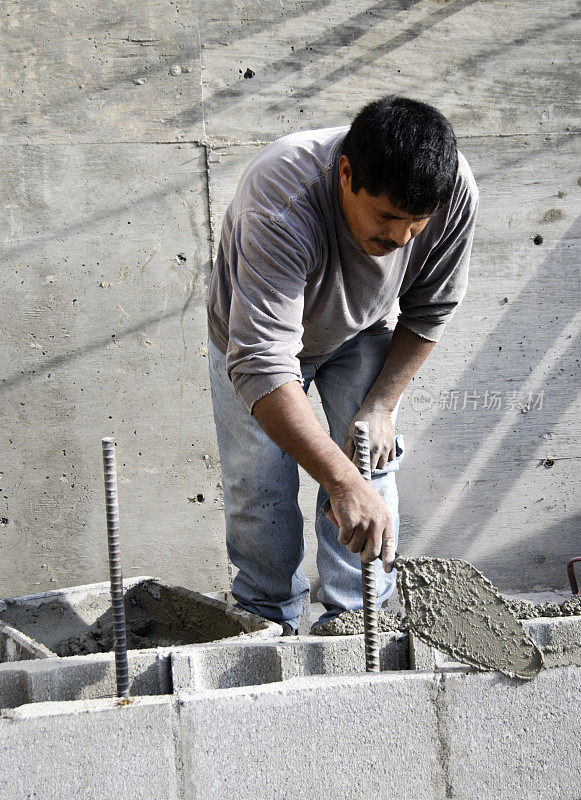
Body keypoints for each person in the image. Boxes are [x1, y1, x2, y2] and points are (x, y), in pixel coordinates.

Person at [207, 95, 478, 633]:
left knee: (372, 467)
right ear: (347, 174)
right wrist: (338, 482)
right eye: (387, 217)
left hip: (359, 327)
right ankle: (267, 620)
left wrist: (381, 407)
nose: (401, 239)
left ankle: (357, 620)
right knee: (260, 488)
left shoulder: (452, 191)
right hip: (253, 343)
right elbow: (263, 361)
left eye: (417, 224)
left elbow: (430, 309)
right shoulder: (281, 197)